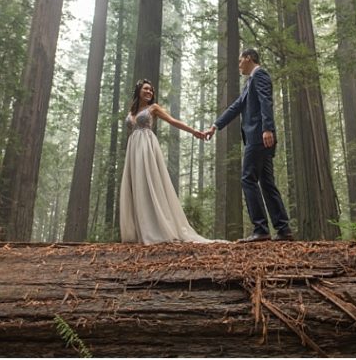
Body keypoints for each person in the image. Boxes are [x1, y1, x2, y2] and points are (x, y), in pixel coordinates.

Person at [205, 48, 294, 242]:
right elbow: (236, 106)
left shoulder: (259, 75)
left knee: (248, 179)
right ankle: (283, 229)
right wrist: (215, 126)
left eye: (240, 61)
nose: (238, 65)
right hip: (260, 136)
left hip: (260, 136)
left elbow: (265, 101)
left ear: (248, 58)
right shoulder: (249, 82)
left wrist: (267, 128)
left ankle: (261, 228)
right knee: (267, 183)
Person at [120, 79, 215, 244]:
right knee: (136, 185)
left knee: (148, 182)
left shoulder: (153, 108)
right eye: (146, 89)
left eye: (151, 90)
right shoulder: (131, 110)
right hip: (133, 149)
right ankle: (139, 229)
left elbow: (172, 121)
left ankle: (156, 228)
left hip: (147, 146)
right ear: (138, 91)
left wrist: (194, 132)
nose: (149, 92)